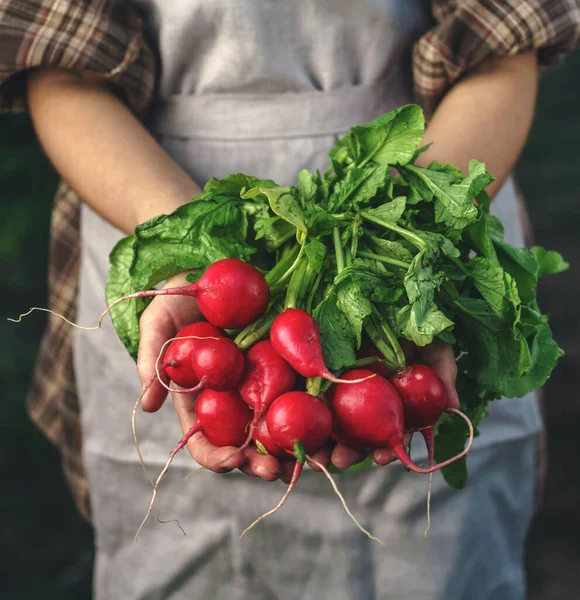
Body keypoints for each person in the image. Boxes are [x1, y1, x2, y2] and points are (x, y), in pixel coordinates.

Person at [2, 1, 579, 598]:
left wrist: (414, 244)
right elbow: (63, 70)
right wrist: (197, 257)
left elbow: (504, 46)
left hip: (427, 166)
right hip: (150, 188)